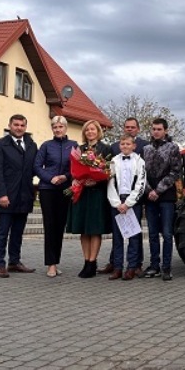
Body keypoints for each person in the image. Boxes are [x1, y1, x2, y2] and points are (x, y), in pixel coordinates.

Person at [100, 117, 149, 275]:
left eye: (128, 144)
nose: (125, 146)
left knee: (134, 235)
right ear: (119, 146)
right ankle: (117, 267)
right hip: (117, 201)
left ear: (134, 146)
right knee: (117, 236)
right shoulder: (113, 160)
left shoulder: (139, 161)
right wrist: (116, 203)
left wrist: (128, 203)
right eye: (122, 144)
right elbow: (110, 183)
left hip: (132, 202)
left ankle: (132, 267)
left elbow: (141, 183)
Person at [0, 114, 37, 278]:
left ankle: (14, 262)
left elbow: (35, 168)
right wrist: (1, 194)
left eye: (22, 125)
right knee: (3, 231)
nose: (19, 128)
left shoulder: (31, 145)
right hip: (7, 196)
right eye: (16, 125)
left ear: (25, 127)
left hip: (25, 195)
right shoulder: (0, 145)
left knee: (18, 231)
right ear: (9, 126)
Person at [66, 119, 112, 278]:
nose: (90, 132)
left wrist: (98, 179)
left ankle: (93, 262)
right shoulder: (79, 149)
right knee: (83, 230)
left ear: (98, 131)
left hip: (97, 193)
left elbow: (109, 172)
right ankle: (86, 261)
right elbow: (73, 169)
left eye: (92, 129)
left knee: (94, 229)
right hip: (82, 192)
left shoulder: (105, 149)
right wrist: (76, 179)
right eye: (87, 130)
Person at [34, 115, 77, 278]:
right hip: (47, 189)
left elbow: (76, 167)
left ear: (66, 128)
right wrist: (50, 178)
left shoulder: (73, 146)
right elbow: (37, 166)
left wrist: (65, 177)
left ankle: (56, 261)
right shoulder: (46, 146)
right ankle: (50, 264)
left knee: (60, 227)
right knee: (50, 226)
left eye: (61, 127)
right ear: (52, 129)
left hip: (65, 189)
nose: (58, 130)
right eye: (55, 127)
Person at [142, 118, 181, 281]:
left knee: (166, 233)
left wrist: (158, 190)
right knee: (152, 234)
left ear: (165, 130)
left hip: (166, 196)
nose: (156, 132)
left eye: (159, 129)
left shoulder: (173, 148)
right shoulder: (146, 149)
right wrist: (150, 190)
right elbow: (141, 172)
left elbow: (175, 171)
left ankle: (166, 267)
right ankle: (154, 266)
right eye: (153, 129)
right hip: (150, 196)